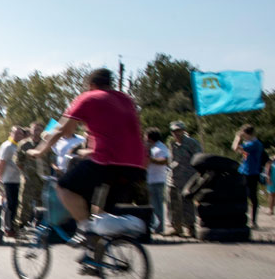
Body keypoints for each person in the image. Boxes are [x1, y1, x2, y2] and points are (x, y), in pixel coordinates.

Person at [26, 68, 146, 243]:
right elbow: (126, 133)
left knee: (64, 187)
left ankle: (84, 230)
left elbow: (62, 129)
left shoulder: (89, 97)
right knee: (100, 214)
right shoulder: (125, 99)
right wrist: (90, 151)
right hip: (135, 166)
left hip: (107, 162)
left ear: (91, 85)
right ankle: (97, 254)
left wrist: (39, 151)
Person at [14, 121, 54, 231]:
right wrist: (26, 171)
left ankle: (42, 226)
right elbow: (18, 161)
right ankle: (21, 226)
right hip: (28, 179)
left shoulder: (46, 145)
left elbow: (51, 160)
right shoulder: (24, 144)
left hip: (43, 179)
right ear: (30, 130)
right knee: (24, 203)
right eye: (34, 129)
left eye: (39, 130)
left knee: (43, 203)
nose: (36, 132)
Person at [167, 121, 201, 236]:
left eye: (179, 130)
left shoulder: (191, 143)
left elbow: (198, 158)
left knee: (187, 203)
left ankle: (190, 228)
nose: (177, 133)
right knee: (173, 204)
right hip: (173, 177)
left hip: (187, 177)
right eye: (174, 131)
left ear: (183, 131)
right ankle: (176, 227)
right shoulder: (172, 144)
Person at [233, 124, 264, 228]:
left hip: (251, 173)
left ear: (247, 134)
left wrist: (237, 137)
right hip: (245, 171)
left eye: (244, 134)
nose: (243, 136)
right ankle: (245, 219)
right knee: (244, 195)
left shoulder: (254, 144)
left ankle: (253, 221)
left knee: (251, 196)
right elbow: (241, 151)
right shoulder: (251, 143)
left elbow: (235, 147)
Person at [0, 126, 24, 236]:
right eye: (16, 133)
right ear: (11, 133)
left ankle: (15, 226)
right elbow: (2, 162)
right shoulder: (7, 146)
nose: (18, 135)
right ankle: (8, 227)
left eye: (20, 133)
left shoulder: (20, 146)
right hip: (9, 179)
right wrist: (0, 176)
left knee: (17, 204)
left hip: (19, 179)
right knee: (11, 204)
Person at [145, 128, 169, 234]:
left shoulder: (160, 147)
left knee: (157, 205)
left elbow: (164, 160)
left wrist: (151, 159)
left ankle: (159, 228)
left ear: (150, 137)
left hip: (157, 180)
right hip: (150, 179)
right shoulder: (152, 147)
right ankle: (153, 225)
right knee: (152, 205)